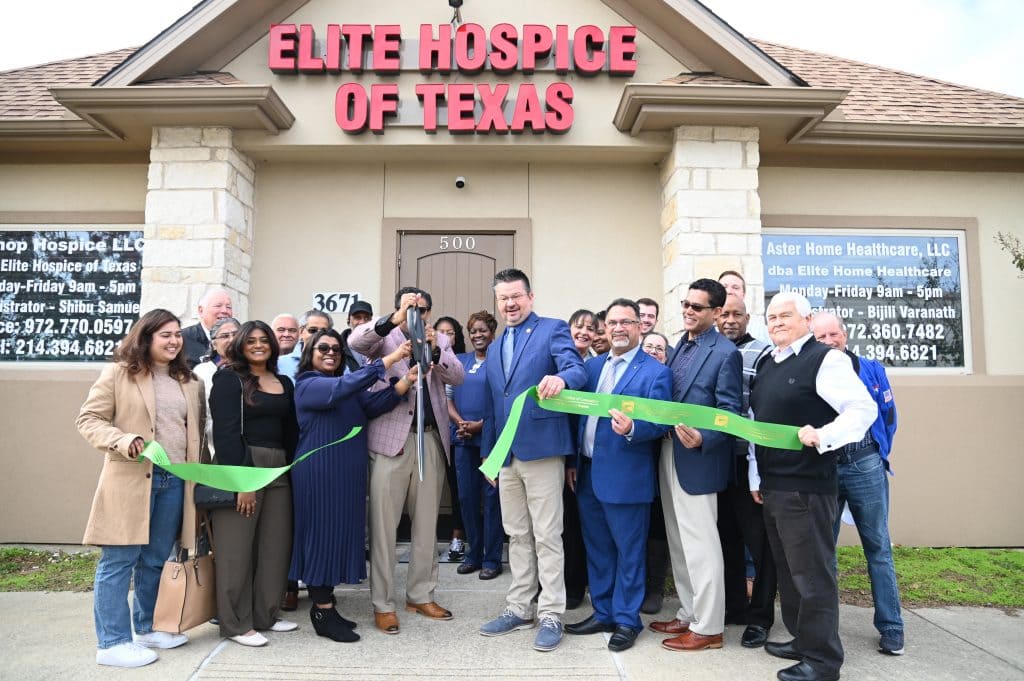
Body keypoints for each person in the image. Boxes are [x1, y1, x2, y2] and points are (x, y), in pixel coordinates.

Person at [748, 292, 876, 681]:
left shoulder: (826, 359)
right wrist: (757, 476)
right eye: (771, 317)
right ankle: (803, 640)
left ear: (807, 319)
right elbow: (759, 424)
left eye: (785, 315)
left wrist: (824, 435)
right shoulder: (768, 362)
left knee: (812, 575)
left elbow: (863, 408)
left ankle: (822, 662)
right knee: (789, 572)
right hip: (774, 485)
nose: (777, 322)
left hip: (807, 487)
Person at [76, 308, 206, 668]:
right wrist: (122, 439)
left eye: (177, 334)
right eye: (165, 334)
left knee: (154, 561)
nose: (174, 340)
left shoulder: (190, 381)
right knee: (119, 561)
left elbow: (195, 435)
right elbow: (88, 419)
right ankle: (112, 642)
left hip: (176, 480)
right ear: (145, 337)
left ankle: (146, 627)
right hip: (132, 479)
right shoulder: (119, 373)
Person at [478, 268, 587, 653]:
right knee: (517, 535)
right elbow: (495, 405)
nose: (510, 304)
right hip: (505, 457)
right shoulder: (493, 347)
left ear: (530, 296)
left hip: (542, 449)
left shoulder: (552, 329)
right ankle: (519, 607)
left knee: (547, 535)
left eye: (516, 296)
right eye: (503, 298)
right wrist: (490, 457)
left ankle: (552, 613)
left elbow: (575, 368)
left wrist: (563, 380)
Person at [348, 287, 465, 635]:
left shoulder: (440, 339)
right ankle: (383, 604)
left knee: (427, 524)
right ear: (399, 307)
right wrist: (394, 320)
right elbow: (356, 343)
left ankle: (420, 595)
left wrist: (436, 349)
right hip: (390, 442)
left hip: (430, 438)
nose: (419, 313)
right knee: (384, 528)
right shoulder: (382, 336)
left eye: (423, 308)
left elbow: (457, 376)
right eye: (411, 307)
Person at [290, 328, 415, 643]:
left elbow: (372, 405)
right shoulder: (308, 384)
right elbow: (345, 385)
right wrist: (392, 358)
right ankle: (321, 609)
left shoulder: (343, 387)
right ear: (310, 352)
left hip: (347, 475)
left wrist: (406, 381)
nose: (330, 352)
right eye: (323, 348)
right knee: (321, 536)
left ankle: (328, 606)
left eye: (335, 348)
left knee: (339, 535)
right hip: (319, 473)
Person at [564, 299, 672, 652]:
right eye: (612, 323)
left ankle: (627, 619)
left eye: (626, 322)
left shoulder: (655, 371)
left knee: (629, 551)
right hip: (589, 472)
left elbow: (660, 421)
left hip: (627, 477)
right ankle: (604, 612)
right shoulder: (592, 368)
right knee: (598, 549)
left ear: (640, 326)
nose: (619, 328)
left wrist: (632, 428)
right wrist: (573, 462)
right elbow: (580, 417)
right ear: (604, 329)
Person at [651, 279, 742, 652]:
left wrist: (706, 438)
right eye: (686, 304)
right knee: (678, 540)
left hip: (699, 458)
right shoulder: (678, 347)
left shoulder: (725, 353)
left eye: (697, 307)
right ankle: (689, 613)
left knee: (702, 545)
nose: (688, 311)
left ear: (717, 313)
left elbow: (730, 411)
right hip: (669, 452)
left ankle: (709, 628)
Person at [812, 311, 904, 656]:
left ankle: (892, 627)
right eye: (820, 337)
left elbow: (888, 417)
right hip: (826, 468)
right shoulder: (812, 372)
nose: (828, 341)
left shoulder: (871, 369)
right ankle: (824, 628)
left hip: (865, 463)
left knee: (878, 547)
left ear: (844, 335)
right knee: (824, 551)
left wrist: (878, 454)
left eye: (833, 334)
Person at [209, 320, 299, 647]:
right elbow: (226, 434)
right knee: (236, 551)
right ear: (241, 345)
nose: (258, 345)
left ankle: (265, 615)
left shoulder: (284, 382)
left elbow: (291, 432)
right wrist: (243, 481)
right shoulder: (229, 379)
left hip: (278, 470)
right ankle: (235, 624)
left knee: (275, 547)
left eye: (264, 340)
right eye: (251, 341)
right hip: (244, 466)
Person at [715, 295, 777, 648]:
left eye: (737, 314)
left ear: (748, 317)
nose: (730, 320)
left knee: (760, 543)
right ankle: (734, 607)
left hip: (749, 460)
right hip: (717, 460)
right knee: (725, 540)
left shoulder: (763, 353)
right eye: (724, 313)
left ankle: (761, 616)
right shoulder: (710, 350)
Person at [448, 310, 503, 579]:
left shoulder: (501, 362)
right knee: (467, 499)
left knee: (491, 499)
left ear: (492, 333)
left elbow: (503, 400)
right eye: (473, 330)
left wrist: (480, 425)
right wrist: (461, 422)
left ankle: (492, 558)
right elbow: (447, 397)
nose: (477, 335)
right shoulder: (459, 361)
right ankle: (473, 554)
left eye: (483, 330)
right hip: (462, 439)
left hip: (489, 440)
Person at [638, 328, 672, 616]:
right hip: (636, 461)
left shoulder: (670, 379)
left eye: (659, 348)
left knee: (658, 526)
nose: (652, 351)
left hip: (665, 461)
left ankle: (655, 586)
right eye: (647, 346)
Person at [435, 315, 469, 562]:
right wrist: (458, 422)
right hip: (445, 431)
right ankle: (457, 534)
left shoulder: (466, 360)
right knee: (455, 487)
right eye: (441, 331)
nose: (446, 336)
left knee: (476, 490)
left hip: (475, 430)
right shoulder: (429, 358)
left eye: (451, 332)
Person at [192, 316, 241, 456]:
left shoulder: (253, 370)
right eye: (225, 336)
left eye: (236, 334)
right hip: (212, 449)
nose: (231, 339)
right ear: (214, 344)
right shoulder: (202, 372)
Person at [181, 288, 234, 367]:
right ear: (201, 310)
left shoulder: (237, 340)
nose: (224, 311)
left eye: (228, 307)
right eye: (218, 306)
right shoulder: (183, 338)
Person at [279, 309, 334, 381]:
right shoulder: (280, 364)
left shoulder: (336, 363)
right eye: (313, 330)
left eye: (324, 331)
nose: (318, 335)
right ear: (301, 332)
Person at [718, 270, 769, 343]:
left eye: (735, 287)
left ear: (743, 294)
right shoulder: (706, 327)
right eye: (724, 287)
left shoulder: (759, 330)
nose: (729, 291)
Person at [340, 301, 374, 373]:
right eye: (357, 317)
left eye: (367, 318)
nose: (362, 322)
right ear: (348, 320)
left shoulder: (380, 343)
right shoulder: (338, 346)